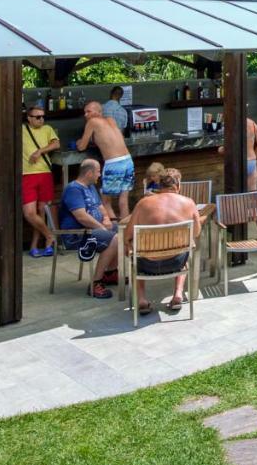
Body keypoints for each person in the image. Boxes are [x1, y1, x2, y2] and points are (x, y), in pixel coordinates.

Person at [0, 104, 60, 258]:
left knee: (42, 211)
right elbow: (0, 130)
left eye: (43, 116)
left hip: (45, 173)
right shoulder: (21, 129)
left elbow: (56, 143)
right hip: (26, 175)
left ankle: (35, 246)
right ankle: (49, 236)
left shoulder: (48, 129)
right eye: (38, 117)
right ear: (29, 118)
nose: (41, 119)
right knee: (30, 213)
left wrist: (40, 151)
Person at [123, 169, 201, 314]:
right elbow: (196, 232)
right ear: (178, 185)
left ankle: (141, 299)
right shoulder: (189, 203)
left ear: (159, 185)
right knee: (186, 246)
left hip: (146, 264)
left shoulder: (143, 204)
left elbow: (127, 236)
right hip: (176, 263)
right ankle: (178, 294)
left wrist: (129, 245)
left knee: (134, 251)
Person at [59, 159, 121, 300]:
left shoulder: (91, 187)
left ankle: (110, 273)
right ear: (89, 173)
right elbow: (81, 217)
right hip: (77, 235)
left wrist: (106, 219)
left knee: (124, 231)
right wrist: (102, 228)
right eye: (98, 171)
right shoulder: (73, 189)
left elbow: (101, 207)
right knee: (114, 238)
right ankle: (95, 283)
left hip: (93, 230)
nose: (100, 175)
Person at [76, 100, 134, 221]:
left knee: (105, 201)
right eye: (85, 112)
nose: (85, 115)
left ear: (98, 111)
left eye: (88, 111)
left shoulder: (92, 122)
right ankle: (126, 230)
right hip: (128, 161)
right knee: (123, 200)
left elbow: (82, 146)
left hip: (114, 163)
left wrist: (78, 142)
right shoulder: (111, 120)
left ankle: (113, 230)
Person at [217, 117, 257, 190]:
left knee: (237, 193)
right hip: (251, 162)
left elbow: (229, 148)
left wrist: (220, 150)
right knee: (252, 193)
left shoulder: (232, 124)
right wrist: (253, 156)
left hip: (237, 163)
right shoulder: (252, 123)